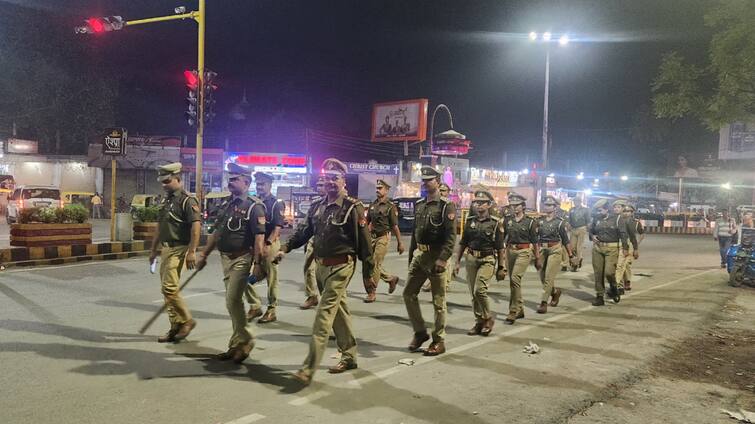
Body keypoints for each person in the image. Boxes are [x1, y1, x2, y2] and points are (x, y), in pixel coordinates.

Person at [275, 158, 374, 385]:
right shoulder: (317, 206)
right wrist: (284, 248)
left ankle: (308, 369)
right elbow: (303, 232)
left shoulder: (352, 207)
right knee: (340, 311)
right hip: (320, 267)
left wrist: (369, 275)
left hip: (341, 266)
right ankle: (349, 355)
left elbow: (365, 244)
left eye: (334, 178)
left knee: (323, 316)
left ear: (343, 180)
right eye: (327, 178)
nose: (330, 182)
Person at [196, 163, 266, 363]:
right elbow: (217, 233)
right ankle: (237, 344)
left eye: (235, 179)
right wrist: (204, 255)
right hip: (225, 259)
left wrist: (258, 263)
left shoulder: (254, 206)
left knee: (232, 300)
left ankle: (246, 339)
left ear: (246, 181)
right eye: (230, 178)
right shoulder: (226, 204)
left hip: (242, 259)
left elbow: (259, 238)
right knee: (232, 303)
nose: (230, 182)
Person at [403, 166, 456, 356]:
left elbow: (451, 237)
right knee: (408, 294)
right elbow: (415, 235)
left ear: (438, 182)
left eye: (429, 180)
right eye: (424, 180)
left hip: (436, 257)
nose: (426, 183)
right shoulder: (420, 205)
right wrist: (411, 256)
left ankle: (438, 340)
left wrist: (443, 260)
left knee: (438, 301)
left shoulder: (445, 206)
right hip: (420, 255)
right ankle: (420, 332)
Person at [148, 163, 201, 344]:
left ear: (178, 179)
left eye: (168, 181)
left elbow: (196, 227)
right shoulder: (166, 200)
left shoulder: (187, 200)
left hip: (180, 249)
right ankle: (175, 326)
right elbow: (160, 227)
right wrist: (154, 249)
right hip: (166, 248)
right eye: (162, 182)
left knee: (169, 288)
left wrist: (192, 251)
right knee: (167, 291)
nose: (164, 185)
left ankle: (187, 320)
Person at [454, 190, 505, 336]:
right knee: (473, 294)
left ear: (489, 205)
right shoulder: (470, 221)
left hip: (487, 259)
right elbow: (463, 242)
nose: (478, 205)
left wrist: (501, 267)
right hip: (471, 258)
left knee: (480, 290)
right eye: (476, 202)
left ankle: (488, 318)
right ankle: (479, 321)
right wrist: (456, 261)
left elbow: (500, 248)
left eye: (482, 202)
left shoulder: (495, 223)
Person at [245, 171, 286, 323]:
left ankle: (271, 309)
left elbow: (277, 227)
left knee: (272, 278)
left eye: (263, 184)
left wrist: (268, 245)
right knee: (245, 279)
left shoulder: (276, 203)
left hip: (270, 244)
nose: (260, 186)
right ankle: (255, 306)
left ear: (270, 185)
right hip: (256, 244)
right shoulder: (253, 203)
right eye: (258, 184)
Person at [364, 179, 404, 303]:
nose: (377, 190)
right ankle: (390, 279)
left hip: (383, 237)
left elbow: (395, 226)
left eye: (380, 188)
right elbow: (367, 223)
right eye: (376, 188)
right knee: (369, 263)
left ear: (386, 190)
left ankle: (372, 292)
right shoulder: (373, 205)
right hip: (372, 237)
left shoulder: (390, 207)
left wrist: (400, 242)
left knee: (375, 263)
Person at [501, 193, 539, 324]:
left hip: (524, 251)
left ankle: (513, 310)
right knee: (513, 282)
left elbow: (535, 241)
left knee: (515, 278)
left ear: (523, 206)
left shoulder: (530, 222)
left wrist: (538, 258)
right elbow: (503, 237)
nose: (514, 208)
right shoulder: (508, 220)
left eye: (517, 205)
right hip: (510, 251)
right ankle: (520, 308)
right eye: (512, 205)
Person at [589, 199, 632, 305]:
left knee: (609, 272)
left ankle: (613, 287)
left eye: (600, 210)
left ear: (607, 209)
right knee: (598, 273)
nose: (598, 213)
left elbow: (623, 234)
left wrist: (626, 249)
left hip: (612, 249)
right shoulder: (596, 218)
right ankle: (599, 296)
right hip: (598, 248)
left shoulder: (617, 218)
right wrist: (592, 236)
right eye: (597, 211)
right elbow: (591, 231)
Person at [536, 196, 575, 314]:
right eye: (546, 205)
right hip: (542, 249)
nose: (547, 207)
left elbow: (565, 240)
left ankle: (543, 302)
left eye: (550, 205)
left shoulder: (560, 222)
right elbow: (535, 238)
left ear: (555, 207)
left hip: (555, 249)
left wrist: (571, 256)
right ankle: (554, 292)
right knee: (542, 277)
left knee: (549, 277)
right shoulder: (539, 221)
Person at [299, 177, 326, 310]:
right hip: (314, 240)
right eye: (318, 185)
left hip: (329, 243)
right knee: (308, 268)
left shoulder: (338, 203)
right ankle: (312, 296)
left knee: (325, 271)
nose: (319, 188)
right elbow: (306, 225)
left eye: (322, 185)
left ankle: (328, 297)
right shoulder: (315, 204)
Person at [423, 182, 454, 292]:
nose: (442, 192)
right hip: (434, 241)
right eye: (440, 190)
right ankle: (432, 282)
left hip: (445, 241)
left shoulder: (449, 206)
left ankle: (445, 283)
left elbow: (451, 230)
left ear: (448, 193)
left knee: (446, 261)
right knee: (432, 263)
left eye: (444, 191)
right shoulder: (435, 205)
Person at [617, 204, 644, 291]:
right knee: (620, 264)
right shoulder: (619, 221)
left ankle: (625, 282)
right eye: (624, 211)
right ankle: (622, 282)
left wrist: (636, 245)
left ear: (632, 213)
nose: (626, 213)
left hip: (630, 244)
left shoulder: (636, 222)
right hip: (619, 242)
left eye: (628, 211)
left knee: (626, 264)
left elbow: (642, 234)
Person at [567, 196, 591, 271]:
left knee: (579, 247)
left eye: (577, 201)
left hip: (581, 228)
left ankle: (575, 264)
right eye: (575, 201)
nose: (576, 203)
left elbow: (588, 220)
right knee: (572, 247)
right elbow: (569, 219)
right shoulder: (571, 210)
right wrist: (568, 225)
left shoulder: (585, 210)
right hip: (573, 229)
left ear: (580, 202)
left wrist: (588, 229)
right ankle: (578, 259)